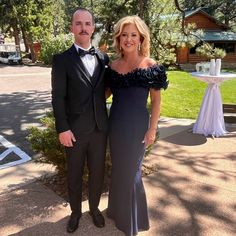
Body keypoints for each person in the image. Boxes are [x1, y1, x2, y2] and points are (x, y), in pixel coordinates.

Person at [106, 15, 168, 236]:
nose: (129, 39)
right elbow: (102, 95)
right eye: (125, 35)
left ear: (141, 38)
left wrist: (152, 129)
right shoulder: (112, 66)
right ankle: (115, 210)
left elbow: (157, 101)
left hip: (138, 129)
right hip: (116, 127)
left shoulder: (151, 66)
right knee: (119, 171)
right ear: (119, 38)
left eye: (133, 35)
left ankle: (133, 219)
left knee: (132, 173)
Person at [51, 8, 109, 233]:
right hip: (73, 131)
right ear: (72, 28)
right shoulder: (61, 60)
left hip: (100, 129)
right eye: (78, 23)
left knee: (98, 173)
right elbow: (58, 98)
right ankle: (75, 212)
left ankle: (94, 209)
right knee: (74, 175)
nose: (83, 28)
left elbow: (104, 90)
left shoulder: (104, 58)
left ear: (93, 28)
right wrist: (62, 128)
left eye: (87, 24)